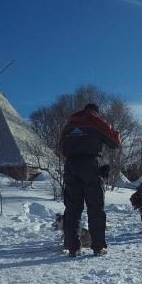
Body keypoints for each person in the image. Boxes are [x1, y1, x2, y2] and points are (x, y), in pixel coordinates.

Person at [58, 103, 122, 256]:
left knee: (73, 208)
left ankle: (73, 247)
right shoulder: (96, 121)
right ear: (96, 111)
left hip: (70, 166)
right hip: (90, 165)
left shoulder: (70, 124)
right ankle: (98, 247)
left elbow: (61, 147)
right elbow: (115, 142)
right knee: (95, 207)